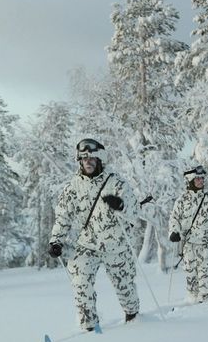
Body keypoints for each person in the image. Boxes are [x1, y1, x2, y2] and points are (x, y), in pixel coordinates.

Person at [48, 138, 140, 331]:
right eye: (83, 159)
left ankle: (133, 317)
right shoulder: (73, 186)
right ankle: (89, 327)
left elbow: (134, 212)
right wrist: (56, 240)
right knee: (80, 281)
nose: (87, 162)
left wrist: (121, 206)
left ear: (99, 160)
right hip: (88, 244)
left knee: (124, 286)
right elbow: (63, 216)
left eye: (91, 158)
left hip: (116, 245)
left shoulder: (116, 183)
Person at [168, 165, 208, 303]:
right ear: (190, 180)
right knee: (191, 277)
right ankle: (193, 302)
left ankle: (206, 303)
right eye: (197, 178)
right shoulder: (181, 201)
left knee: (205, 276)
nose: (201, 181)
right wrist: (174, 231)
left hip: (207, 244)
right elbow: (174, 218)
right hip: (189, 245)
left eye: (202, 178)